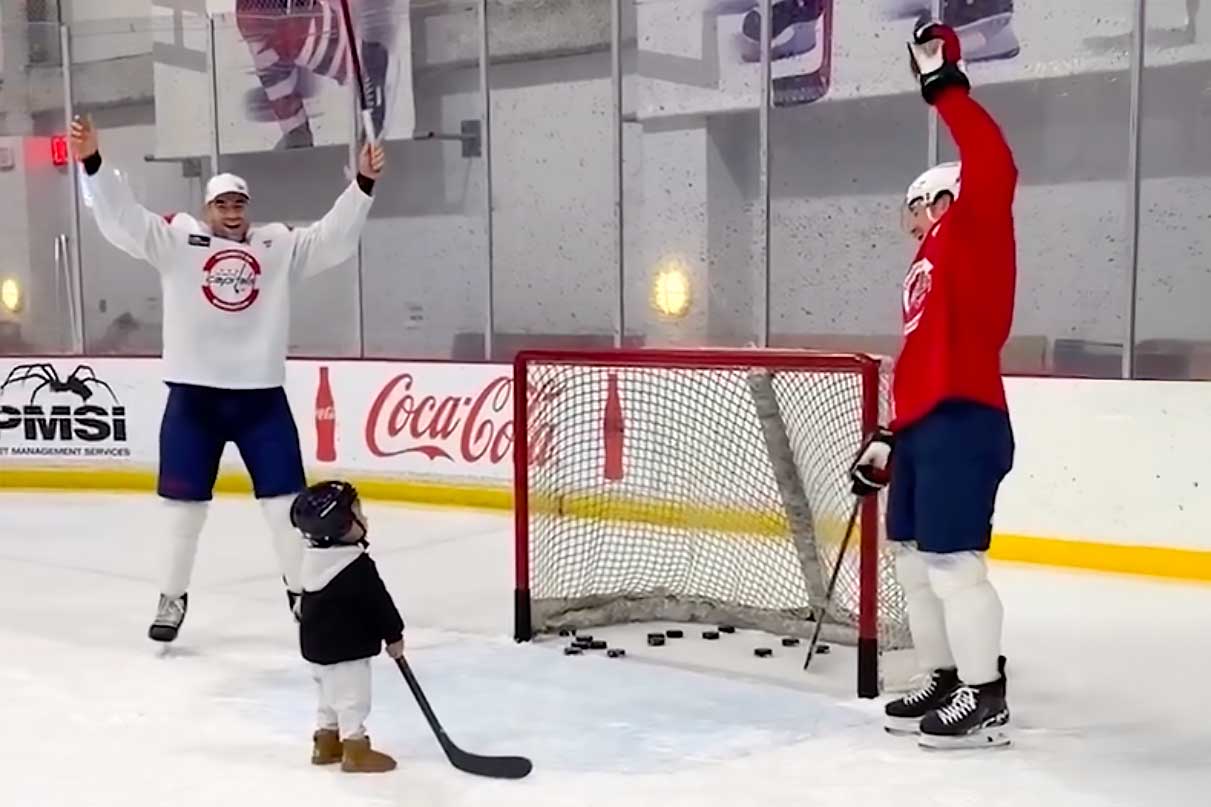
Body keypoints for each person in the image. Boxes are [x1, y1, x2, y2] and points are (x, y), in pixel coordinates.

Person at [70, 114, 385, 645]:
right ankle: (172, 595)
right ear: (206, 209)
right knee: (180, 514)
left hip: (260, 400)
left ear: (248, 209)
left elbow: (333, 239)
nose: (232, 214)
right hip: (194, 402)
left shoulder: (277, 246)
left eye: (239, 204)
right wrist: (93, 162)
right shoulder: (175, 241)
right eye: (222, 205)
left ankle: (300, 592)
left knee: (286, 510)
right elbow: (121, 219)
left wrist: (363, 185)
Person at [849, 21, 1017, 750]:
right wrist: (889, 431)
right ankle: (944, 675)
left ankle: (985, 695)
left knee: (952, 562)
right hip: (922, 424)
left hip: (963, 418)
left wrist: (941, 84)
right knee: (914, 560)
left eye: (915, 207)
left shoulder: (974, 229)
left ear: (940, 195)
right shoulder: (925, 263)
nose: (909, 221)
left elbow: (993, 159)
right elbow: (916, 356)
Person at [290, 480, 404, 773]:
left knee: (328, 699)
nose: (364, 519)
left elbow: (302, 602)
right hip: (346, 650)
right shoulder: (356, 566)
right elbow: (379, 604)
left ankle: (326, 743)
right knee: (352, 699)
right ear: (339, 526)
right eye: (357, 514)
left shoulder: (311, 560)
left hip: (315, 648)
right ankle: (355, 749)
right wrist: (394, 634)